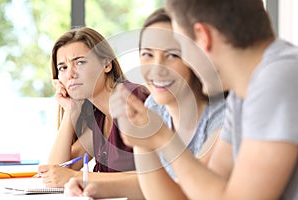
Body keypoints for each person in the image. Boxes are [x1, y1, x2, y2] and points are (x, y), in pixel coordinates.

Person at [111, 0, 298, 199]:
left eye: (180, 49)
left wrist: (163, 139)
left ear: (202, 36)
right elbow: (197, 196)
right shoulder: (242, 95)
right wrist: (144, 139)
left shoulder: (278, 79)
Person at [64, 9, 225, 199]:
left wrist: (154, 137)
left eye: (172, 55)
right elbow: (154, 184)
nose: (156, 67)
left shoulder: (220, 116)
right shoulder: (154, 107)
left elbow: (186, 192)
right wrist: (92, 186)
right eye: (147, 54)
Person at [38, 27, 149, 199]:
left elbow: (151, 179)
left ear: (106, 64)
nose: (71, 74)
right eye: (63, 67)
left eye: (80, 62)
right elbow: (55, 171)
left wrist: (76, 177)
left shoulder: (132, 101)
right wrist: (71, 111)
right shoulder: (99, 116)